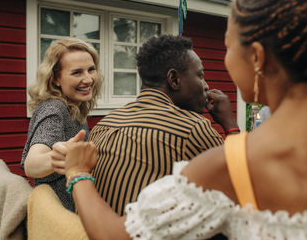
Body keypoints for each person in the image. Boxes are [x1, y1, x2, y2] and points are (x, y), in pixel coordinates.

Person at [62, 0, 307, 239]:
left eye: (228, 46)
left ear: (258, 58)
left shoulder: (230, 164)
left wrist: (76, 173)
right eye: (200, 74)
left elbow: (118, 235)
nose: (209, 77)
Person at [85, 34, 239, 216]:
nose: (206, 86)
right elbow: (242, 184)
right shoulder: (191, 128)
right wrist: (230, 124)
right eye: (200, 75)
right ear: (174, 80)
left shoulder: (103, 125)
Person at [20, 37, 102, 211]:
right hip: (56, 219)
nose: (88, 79)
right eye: (77, 72)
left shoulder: (75, 107)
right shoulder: (54, 108)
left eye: (91, 69)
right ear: (55, 78)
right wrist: (54, 159)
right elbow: (31, 164)